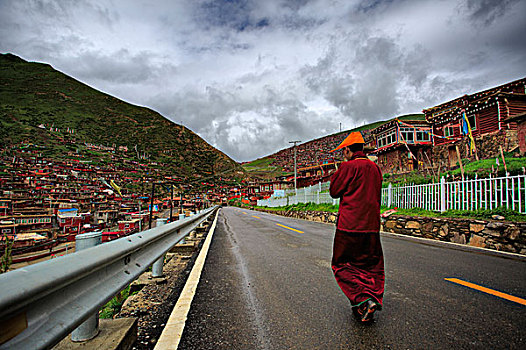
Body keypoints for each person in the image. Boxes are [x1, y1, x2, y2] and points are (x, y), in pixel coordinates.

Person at [329, 131, 384, 323]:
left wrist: (338, 171)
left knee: (342, 265)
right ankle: (368, 299)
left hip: (349, 227)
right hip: (371, 227)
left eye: (344, 151)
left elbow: (334, 192)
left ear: (347, 150)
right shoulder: (375, 168)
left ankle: (363, 299)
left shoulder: (347, 167)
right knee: (370, 266)